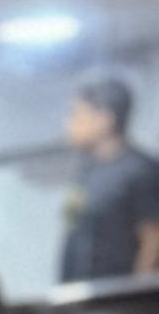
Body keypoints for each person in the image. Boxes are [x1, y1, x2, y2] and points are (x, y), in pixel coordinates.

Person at [60, 72, 159, 287]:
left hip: (121, 298)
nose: (69, 124)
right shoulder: (84, 173)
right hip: (80, 293)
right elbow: (71, 225)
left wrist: (139, 294)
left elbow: (153, 239)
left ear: (105, 119)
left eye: (77, 115)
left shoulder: (142, 170)